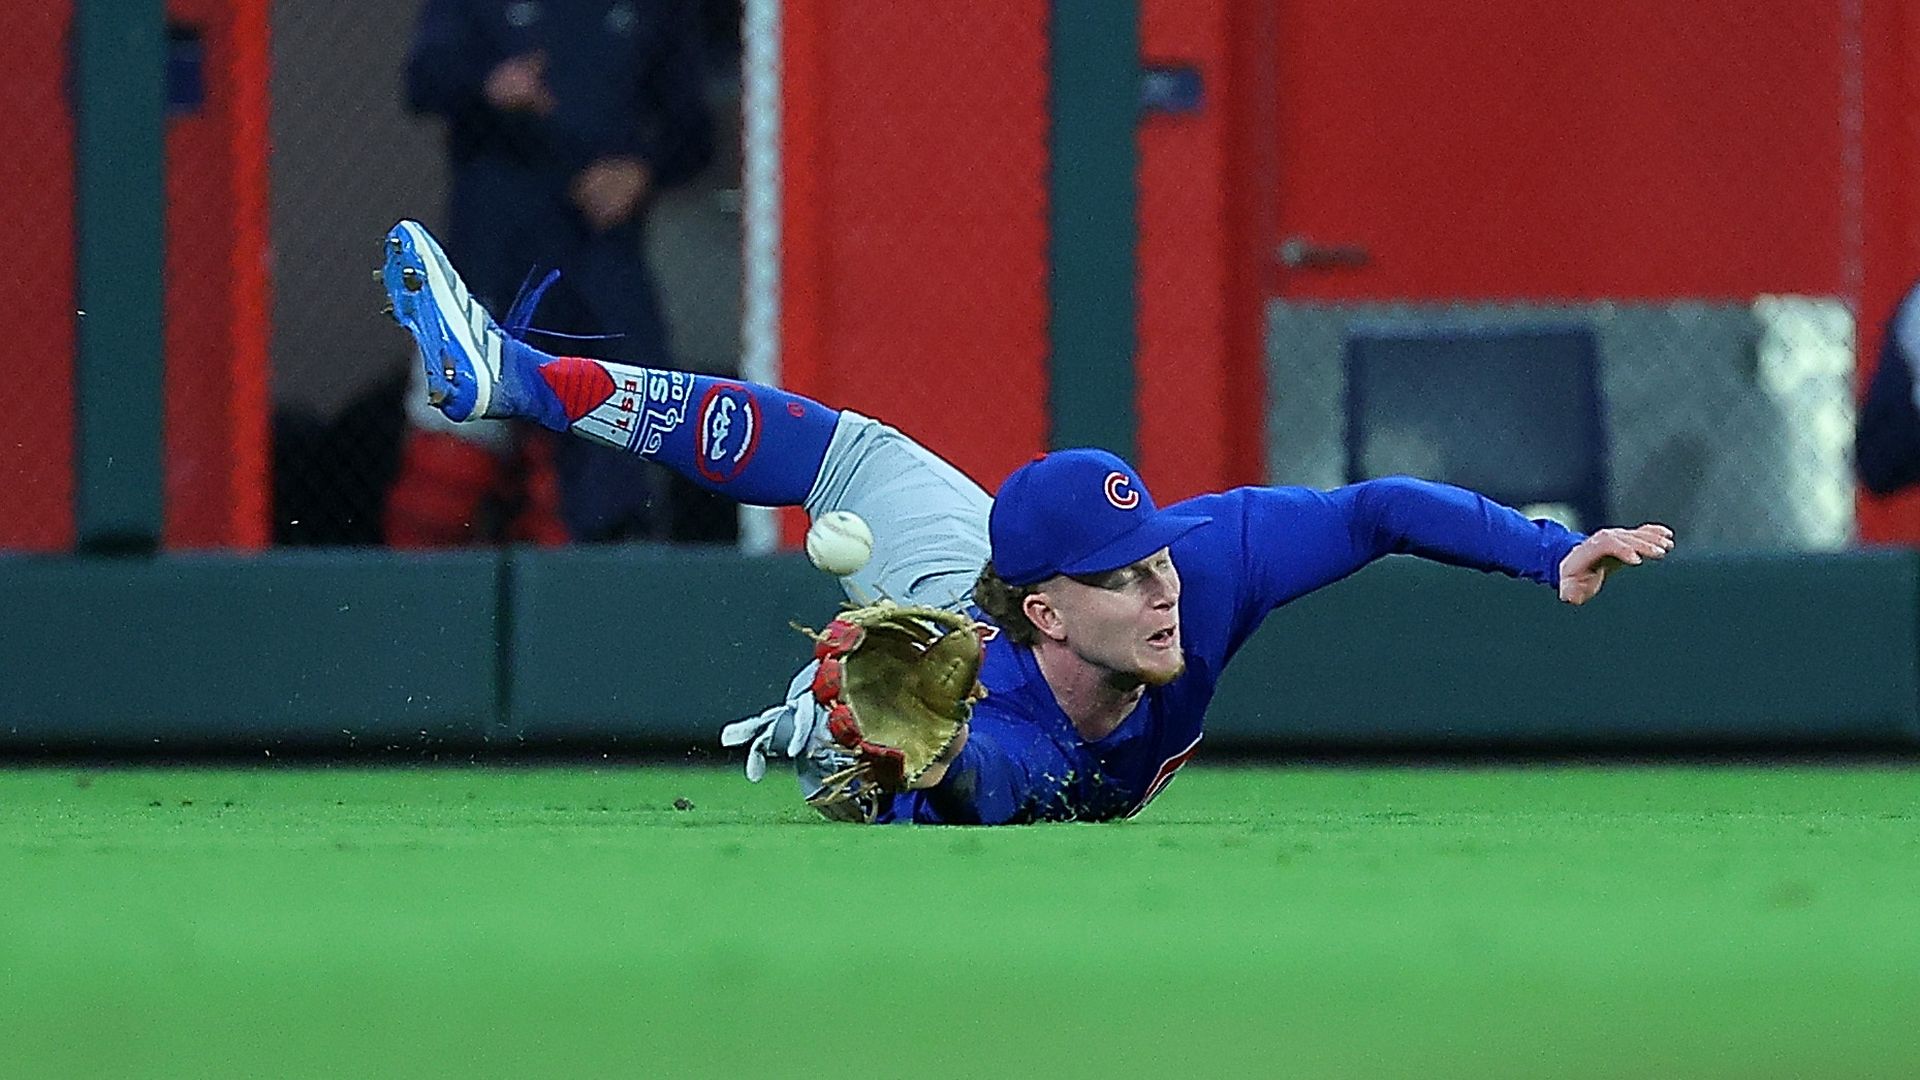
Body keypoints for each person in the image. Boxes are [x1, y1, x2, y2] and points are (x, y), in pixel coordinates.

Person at [380, 219, 1678, 825]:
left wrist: (1547, 549)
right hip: (957, 616)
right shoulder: (989, 691)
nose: (1162, 590)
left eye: (1155, 557)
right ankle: (530, 387)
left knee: (854, 452)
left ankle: (523, 379)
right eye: (1127, 578)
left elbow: (1379, 506)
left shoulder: (1203, 569)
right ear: (1051, 609)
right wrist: (922, 768)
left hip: (985, 562)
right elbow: (996, 774)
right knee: (886, 760)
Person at [394, 0, 725, 544]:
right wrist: (490, 84)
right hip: (490, 265)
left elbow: (691, 129)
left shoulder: (655, 12)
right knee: (444, 476)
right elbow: (423, 80)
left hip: (598, 274)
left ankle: (582, 606)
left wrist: (639, 170)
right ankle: (414, 609)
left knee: (600, 467)